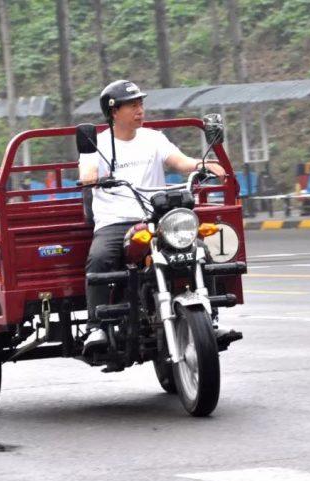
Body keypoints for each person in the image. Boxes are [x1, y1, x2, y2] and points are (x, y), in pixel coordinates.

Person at [79, 80, 226, 348]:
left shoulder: (153, 138)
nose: (140, 110)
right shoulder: (96, 144)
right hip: (115, 222)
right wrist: (92, 177)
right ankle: (96, 328)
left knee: (200, 250)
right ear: (114, 111)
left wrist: (204, 164)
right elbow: (86, 173)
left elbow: (181, 162)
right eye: (132, 105)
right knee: (99, 259)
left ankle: (210, 320)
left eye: (141, 104)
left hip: (153, 219)